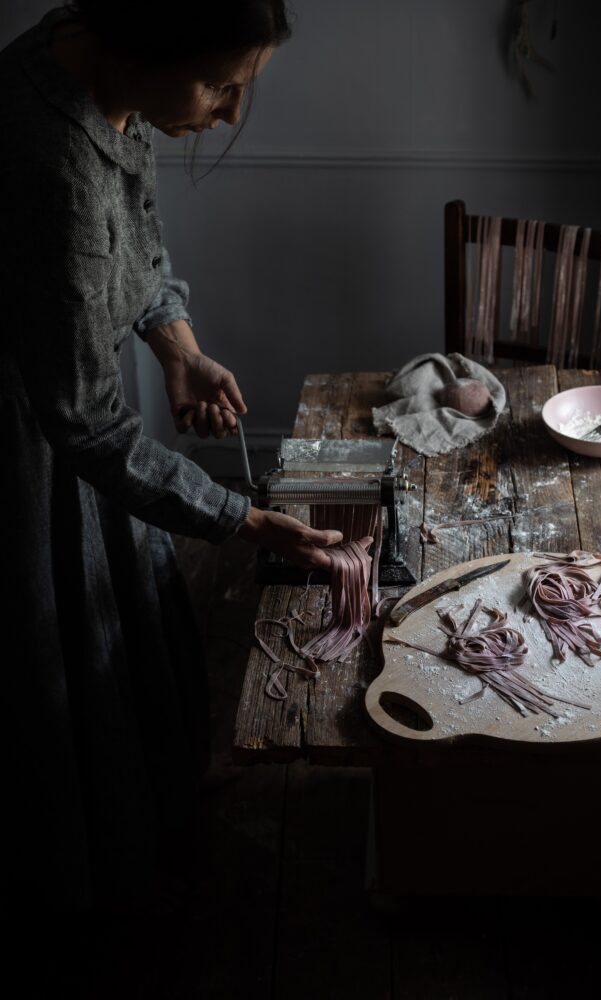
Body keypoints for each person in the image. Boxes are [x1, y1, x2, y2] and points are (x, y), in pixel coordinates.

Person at [0, 0, 342, 914]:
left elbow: (140, 241)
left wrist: (179, 346)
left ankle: (151, 799)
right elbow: (85, 425)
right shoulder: (49, 163)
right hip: (27, 440)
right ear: (143, 46)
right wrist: (238, 518)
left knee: (139, 596)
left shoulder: (98, 68)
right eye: (221, 87)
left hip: (75, 418)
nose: (229, 114)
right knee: (59, 641)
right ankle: (88, 871)